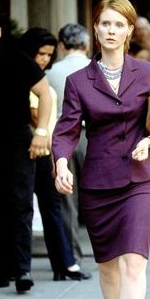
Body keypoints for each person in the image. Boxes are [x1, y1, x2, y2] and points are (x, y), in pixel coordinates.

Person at [52, 0, 150, 299]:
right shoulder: (78, 81)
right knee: (108, 268)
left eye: (118, 25)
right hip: (99, 181)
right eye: (104, 23)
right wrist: (60, 162)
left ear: (128, 30)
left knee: (134, 264)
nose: (110, 30)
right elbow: (68, 129)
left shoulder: (148, 72)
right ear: (96, 29)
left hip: (141, 178)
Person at [18, 27, 90, 282]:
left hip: (49, 148)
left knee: (55, 205)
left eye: (49, 54)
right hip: (27, 148)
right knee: (23, 207)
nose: (45, 59)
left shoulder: (46, 76)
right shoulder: (24, 74)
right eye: (41, 53)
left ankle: (65, 263)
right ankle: (21, 268)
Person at [0, 15, 51, 293]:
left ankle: (21, 269)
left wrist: (41, 132)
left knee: (19, 203)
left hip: (17, 138)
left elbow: (45, 93)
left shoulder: (15, 58)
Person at [47, 23, 92, 265]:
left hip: (61, 137)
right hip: (93, 137)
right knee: (102, 194)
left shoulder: (50, 71)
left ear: (62, 45)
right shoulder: (98, 68)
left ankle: (72, 255)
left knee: (66, 198)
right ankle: (107, 251)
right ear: (86, 44)